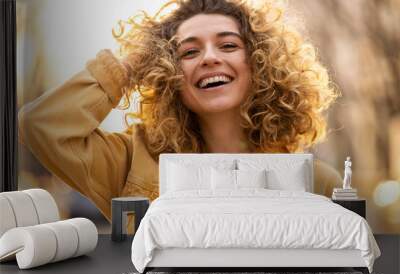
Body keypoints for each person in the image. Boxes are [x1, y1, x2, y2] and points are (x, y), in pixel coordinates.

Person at [18, 0, 342, 222]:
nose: (209, 57)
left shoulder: (318, 181)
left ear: (260, 64)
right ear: (169, 71)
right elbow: (40, 125)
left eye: (228, 45)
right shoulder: (131, 161)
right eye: (189, 51)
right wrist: (132, 65)